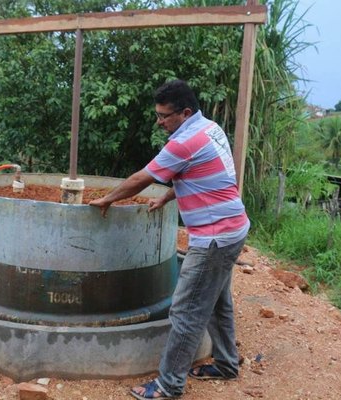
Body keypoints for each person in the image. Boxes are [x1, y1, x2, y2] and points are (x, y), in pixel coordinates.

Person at [89, 79, 250, 400]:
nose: (159, 122)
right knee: (218, 303)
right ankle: (227, 363)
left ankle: (169, 385)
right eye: (158, 115)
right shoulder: (210, 129)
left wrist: (107, 199)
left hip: (214, 237)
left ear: (184, 112)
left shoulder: (183, 142)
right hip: (234, 227)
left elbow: (139, 179)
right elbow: (200, 173)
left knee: (186, 311)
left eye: (164, 116)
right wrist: (166, 198)